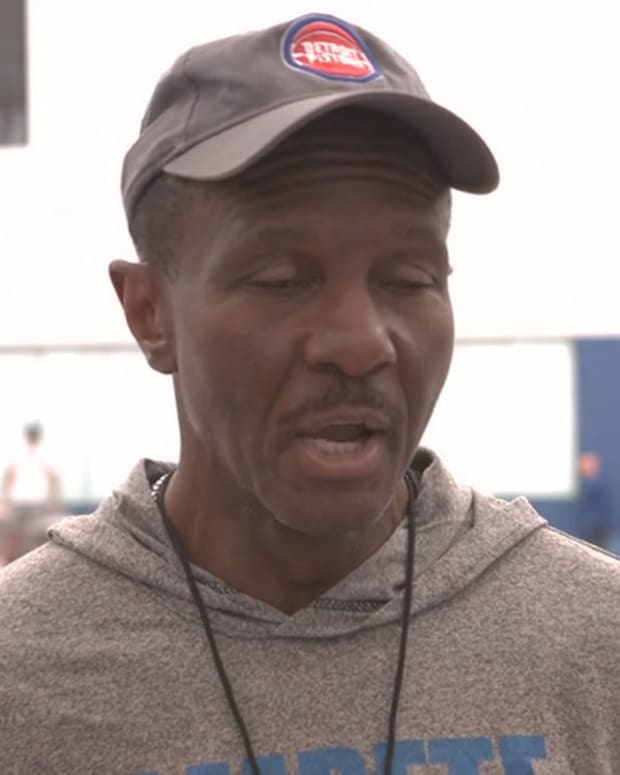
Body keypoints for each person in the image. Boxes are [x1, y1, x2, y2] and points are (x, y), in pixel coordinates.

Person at [0, 13, 618, 774]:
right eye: (283, 280)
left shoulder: (594, 641)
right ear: (149, 313)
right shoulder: (23, 672)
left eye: (410, 279)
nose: (360, 343)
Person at [0, 421, 62, 564]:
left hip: (32, 504)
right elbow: (53, 480)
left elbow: (53, 480)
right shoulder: (28, 454)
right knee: (19, 538)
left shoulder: (39, 454)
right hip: (26, 504)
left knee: (29, 539)